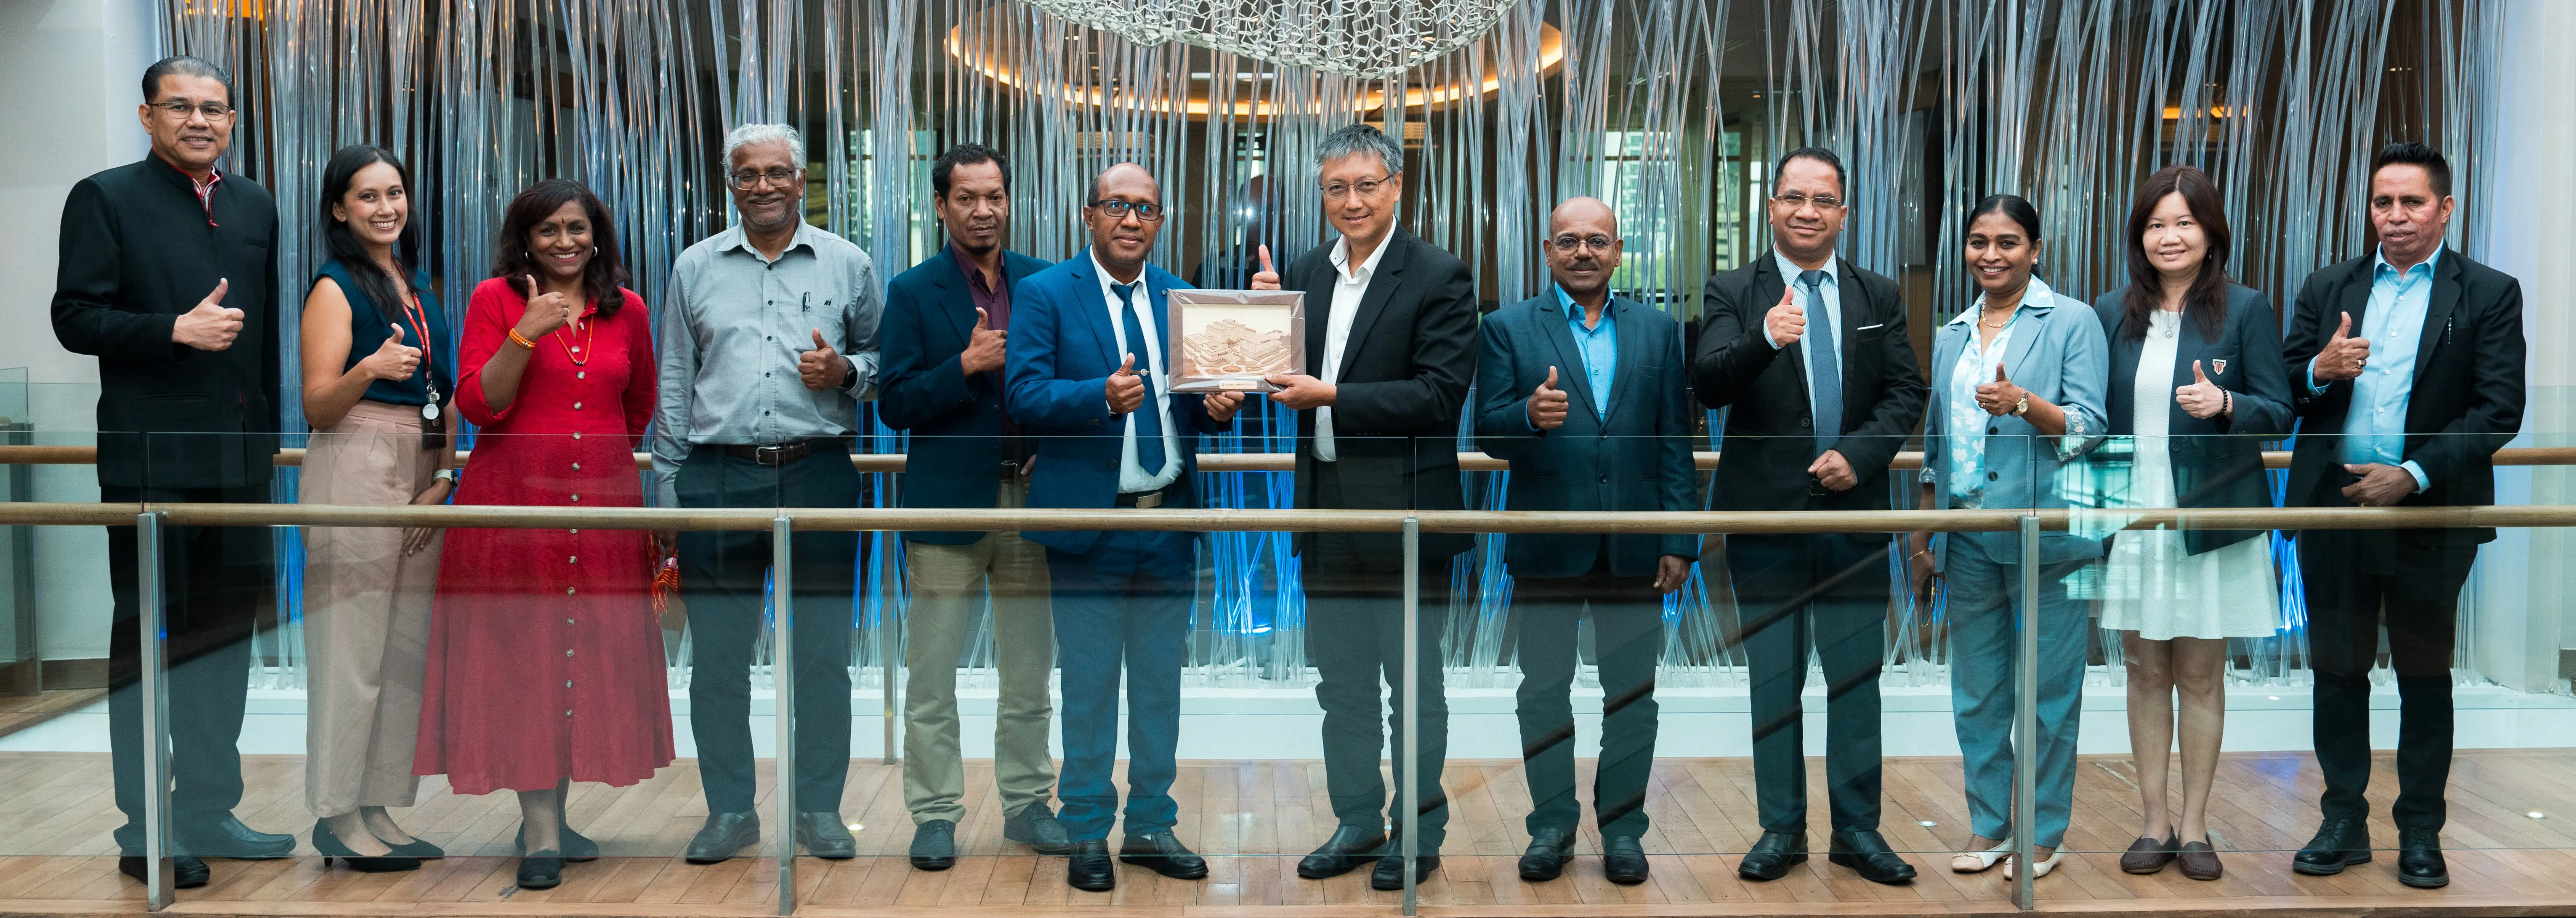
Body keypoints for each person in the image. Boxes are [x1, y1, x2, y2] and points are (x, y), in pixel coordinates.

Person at [51, 55, 295, 890]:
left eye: (215, 108)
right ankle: (144, 825)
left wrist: (264, 444)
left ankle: (208, 808)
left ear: (233, 120)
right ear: (148, 115)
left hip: (239, 463)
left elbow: (264, 339)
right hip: (151, 464)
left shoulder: (255, 202)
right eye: (181, 106)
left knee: (225, 641)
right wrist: (172, 331)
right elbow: (73, 317)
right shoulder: (105, 196)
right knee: (150, 643)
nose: (200, 120)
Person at [415, 179, 673, 891]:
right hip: (514, 509)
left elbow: (639, 403)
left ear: (598, 236)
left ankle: (553, 819)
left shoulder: (631, 310)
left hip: (602, 510)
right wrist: (527, 331)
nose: (565, 242)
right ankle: (540, 830)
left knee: (582, 656)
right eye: (549, 231)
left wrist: (595, 467)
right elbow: (478, 405)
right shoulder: (493, 300)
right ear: (524, 240)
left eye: (577, 229)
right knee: (527, 657)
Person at [2281, 142, 2524, 890]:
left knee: (2424, 678)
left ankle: (2420, 831)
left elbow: (2498, 410)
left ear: (2444, 208)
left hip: (2430, 513)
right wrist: (2321, 370)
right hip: (2333, 509)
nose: (2394, 217)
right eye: (2382, 203)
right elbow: (2284, 383)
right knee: (2336, 673)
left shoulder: (2487, 291)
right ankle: (2342, 821)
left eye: (2411, 203)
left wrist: (2411, 475)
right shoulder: (2329, 285)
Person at [1250, 123, 1478, 891]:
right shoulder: (1308, 272)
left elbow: (1439, 396)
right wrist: (1257, 336)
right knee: (1339, 684)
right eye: (1336, 188)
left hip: (1407, 518)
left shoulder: (1439, 275)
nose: (1351, 201)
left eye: (1365, 186)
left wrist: (1334, 395)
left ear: (1396, 188)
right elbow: (1283, 379)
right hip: (1325, 514)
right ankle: (1356, 819)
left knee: (1414, 687)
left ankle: (1417, 831)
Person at [1003, 162, 1243, 892]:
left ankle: (1149, 825)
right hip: (1089, 530)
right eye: (1116, 205)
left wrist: (1218, 408)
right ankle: (1085, 833)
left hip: (1168, 522)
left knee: (1159, 686)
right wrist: (1099, 397)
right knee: (1088, 686)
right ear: (1089, 215)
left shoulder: (1181, 299)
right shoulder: (1045, 294)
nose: (1131, 219)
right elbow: (1022, 395)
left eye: (1145, 208)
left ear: (1160, 221)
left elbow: (1192, 408)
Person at [1690, 147, 1925, 885]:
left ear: (1843, 214)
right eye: (1793, 197)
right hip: (1765, 524)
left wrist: (1860, 453)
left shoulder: (1877, 295)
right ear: (1770, 207)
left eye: (1823, 201)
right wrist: (1764, 337)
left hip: (1854, 518)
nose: (1807, 211)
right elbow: (1708, 382)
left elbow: (1906, 394)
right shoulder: (1734, 289)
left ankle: (1858, 831)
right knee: (1775, 681)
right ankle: (1780, 830)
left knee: (1856, 680)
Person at [650, 123, 876, 865]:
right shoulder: (695, 267)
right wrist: (668, 491)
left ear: (801, 178)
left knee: (821, 657)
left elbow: (883, 363)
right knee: (716, 659)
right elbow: (677, 381)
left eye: (778, 172)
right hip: (717, 475)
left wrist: (843, 373)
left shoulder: (848, 263)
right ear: (730, 184)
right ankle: (729, 811)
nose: (764, 186)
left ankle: (818, 810)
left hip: (817, 471)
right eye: (748, 174)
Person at [1472, 197, 1695, 887]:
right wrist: (1527, 416)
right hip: (1547, 546)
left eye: (1596, 241)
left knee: (1633, 697)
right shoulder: (1507, 329)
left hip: (1635, 547)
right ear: (1546, 250)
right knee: (1542, 692)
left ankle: (1624, 832)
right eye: (1568, 241)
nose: (1582, 252)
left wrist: (1678, 537)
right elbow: (1486, 432)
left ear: (1618, 250)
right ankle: (1550, 828)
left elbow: (1675, 443)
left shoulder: (1657, 332)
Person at [2091, 165, 2291, 882]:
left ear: (2210, 233)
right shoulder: (2110, 311)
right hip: (2132, 512)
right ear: (2138, 236)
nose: (2168, 237)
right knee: (2144, 670)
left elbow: (2281, 408)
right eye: (2155, 224)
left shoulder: (2243, 309)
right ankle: (2154, 824)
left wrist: (2229, 406)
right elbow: (2092, 417)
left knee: (2201, 674)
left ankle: (2199, 827)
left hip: (2208, 512)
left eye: (2183, 223)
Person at [877, 142, 1066, 869]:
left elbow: (1066, 385)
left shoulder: (1045, 283)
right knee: (932, 677)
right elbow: (894, 403)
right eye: (967, 198)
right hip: (947, 504)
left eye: (994, 196)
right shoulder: (913, 291)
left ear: (1009, 200)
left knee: (1028, 671)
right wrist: (962, 368)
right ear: (941, 205)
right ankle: (934, 814)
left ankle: (1026, 805)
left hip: (1033, 502)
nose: (982, 211)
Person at [1909, 193, 2108, 882]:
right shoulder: (1951, 333)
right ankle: (1990, 826)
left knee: (2049, 695)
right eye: (1977, 242)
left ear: (2035, 249)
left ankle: (2042, 832)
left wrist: (2023, 402)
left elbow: (2089, 431)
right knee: (1978, 694)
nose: (1990, 255)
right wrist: (1924, 538)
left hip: (2048, 534)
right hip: (1967, 539)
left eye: (2007, 242)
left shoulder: (2072, 321)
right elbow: (1936, 447)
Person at [295, 144, 457, 872]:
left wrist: (444, 476)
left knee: (402, 652)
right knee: (351, 651)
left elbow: (446, 392)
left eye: (395, 193)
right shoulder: (335, 287)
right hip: (356, 457)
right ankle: (336, 813)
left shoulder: (417, 284)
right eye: (367, 197)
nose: (386, 207)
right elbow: (318, 405)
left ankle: (379, 805)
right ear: (340, 209)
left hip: (422, 464)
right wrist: (369, 367)